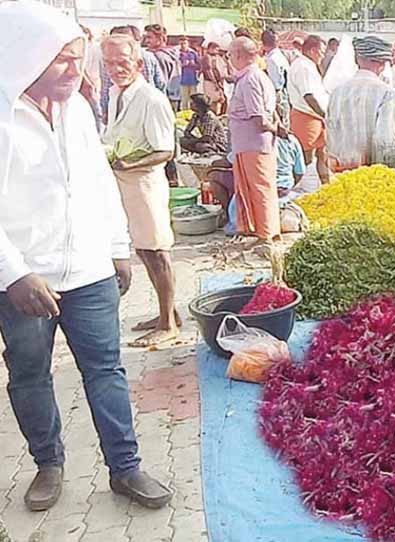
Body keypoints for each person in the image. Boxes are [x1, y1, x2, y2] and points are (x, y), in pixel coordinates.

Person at [0, 1, 172, 512]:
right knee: (30, 374)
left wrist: (118, 249)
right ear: (27, 57)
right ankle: (47, 464)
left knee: (106, 370)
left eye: (79, 59)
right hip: (28, 282)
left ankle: (125, 468)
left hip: (91, 271)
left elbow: (98, 184)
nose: (76, 70)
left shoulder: (77, 109)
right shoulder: (4, 119)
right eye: (62, 60)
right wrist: (15, 273)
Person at [102, 34, 180, 347]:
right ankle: (168, 313)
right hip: (125, 183)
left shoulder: (152, 99)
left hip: (145, 184)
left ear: (137, 63)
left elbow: (166, 151)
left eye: (123, 62)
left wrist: (128, 165)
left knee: (158, 251)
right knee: (144, 250)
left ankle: (168, 325)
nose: (116, 69)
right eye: (110, 63)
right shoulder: (114, 93)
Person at [327, 36, 395, 173]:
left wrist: (339, 162)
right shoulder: (386, 92)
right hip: (370, 173)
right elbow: (383, 140)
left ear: (356, 60)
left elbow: (331, 131)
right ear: (383, 63)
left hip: (341, 170)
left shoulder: (337, 91)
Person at [228, 37, 281, 243]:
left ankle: (267, 236)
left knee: (260, 189)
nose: (230, 58)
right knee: (255, 188)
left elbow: (258, 118)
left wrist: (276, 129)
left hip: (254, 144)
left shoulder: (250, 79)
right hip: (248, 144)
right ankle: (262, 233)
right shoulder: (252, 76)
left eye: (231, 54)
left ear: (239, 55)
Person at [100, 25, 165, 124]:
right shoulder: (109, 62)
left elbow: (160, 85)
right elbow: (161, 84)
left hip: (144, 109)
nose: (117, 68)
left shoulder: (153, 100)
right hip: (119, 109)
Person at [287, 35, 330, 184]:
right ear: (312, 50)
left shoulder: (310, 65)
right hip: (306, 116)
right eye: (321, 52)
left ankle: (326, 186)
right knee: (304, 157)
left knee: (323, 153)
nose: (323, 56)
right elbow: (308, 96)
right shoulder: (302, 66)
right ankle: (287, 185)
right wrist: (324, 114)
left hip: (318, 117)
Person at [143, 24, 181, 110]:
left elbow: (161, 82)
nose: (146, 41)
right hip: (174, 96)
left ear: (160, 38)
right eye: (146, 38)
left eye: (149, 37)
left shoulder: (159, 56)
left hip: (164, 98)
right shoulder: (171, 52)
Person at [262, 30, 291, 130]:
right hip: (284, 93)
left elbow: (275, 84)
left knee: (280, 125)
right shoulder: (280, 56)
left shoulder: (272, 59)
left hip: (278, 95)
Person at [200, 41, 230, 115]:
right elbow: (209, 71)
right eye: (215, 49)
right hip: (210, 82)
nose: (217, 51)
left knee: (222, 100)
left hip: (218, 82)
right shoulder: (207, 57)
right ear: (210, 48)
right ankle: (213, 116)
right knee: (212, 101)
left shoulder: (217, 57)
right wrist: (215, 83)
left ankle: (219, 116)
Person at [178, 36, 200, 111]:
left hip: (192, 79)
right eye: (181, 43)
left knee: (193, 99)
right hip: (182, 80)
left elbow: (199, 66)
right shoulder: (177, 53)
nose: (183, 45)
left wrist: (193, 64)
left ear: (188, 44)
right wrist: (183, 64)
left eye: (184, 43)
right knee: (184, 100)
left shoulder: (193, 53)